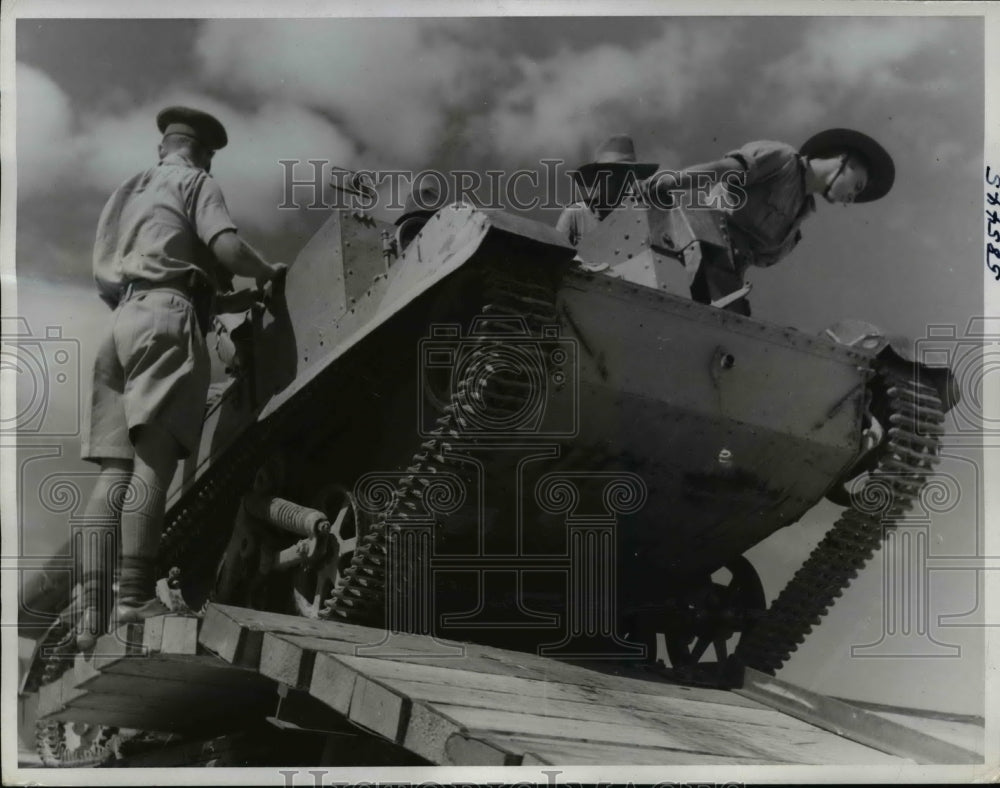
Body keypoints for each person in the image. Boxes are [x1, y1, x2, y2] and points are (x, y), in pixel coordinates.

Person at [75, 106, 286, 648]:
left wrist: (223, 294)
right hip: (168, 321)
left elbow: (173, 265)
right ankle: (133, 598)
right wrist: (267, 272)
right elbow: (227, 250)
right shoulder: (197, 182)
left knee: (113, 473)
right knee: (155, 459)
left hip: (121, 322)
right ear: (205, 153)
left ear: (163, 145)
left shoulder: (129, 192)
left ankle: (91, 606)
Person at [642, 128, 895, 314]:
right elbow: (722, 170)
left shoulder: (797, 223)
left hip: (724, 283)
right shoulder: (783, 160)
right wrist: (671, 182)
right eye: (857, 185)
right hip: (689, 250)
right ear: (843, 160)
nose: (851, 198)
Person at [556, 134, 658, 246]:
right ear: (598, 178)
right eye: (611, 173)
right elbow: (557, 255)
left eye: (624, 172)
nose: (619, 179)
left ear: (633, 176)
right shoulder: (575, 214)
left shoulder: (645, 214)